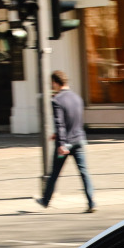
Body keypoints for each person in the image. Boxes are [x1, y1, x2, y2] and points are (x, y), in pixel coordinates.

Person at [37, 70, 95, 212]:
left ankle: (45, 200)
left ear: (56, 83)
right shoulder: (77, 98)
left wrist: (61, 142)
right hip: (79, 140)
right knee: (84, 172)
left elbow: (60, 123)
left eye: (52, 84)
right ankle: (91, 202)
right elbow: (75, 120)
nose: (52, 86)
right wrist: (57, 134)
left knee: (54, 173)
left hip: (66, 144)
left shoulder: (56, 100)